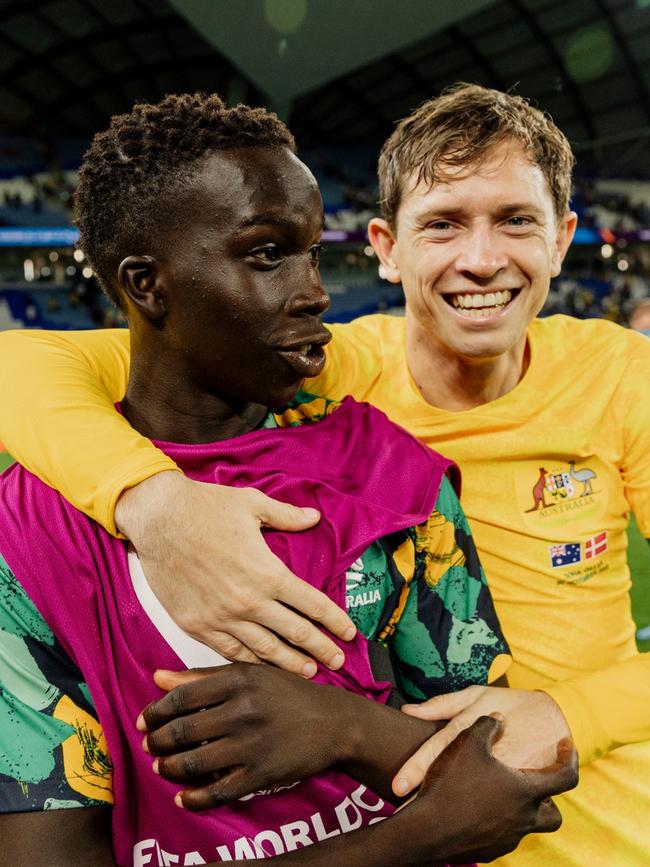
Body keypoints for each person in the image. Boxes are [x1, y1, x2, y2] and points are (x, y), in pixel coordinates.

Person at [0, 83, 646, 865]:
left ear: (564, 236)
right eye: (442, 224)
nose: (481, 259)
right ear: (384, 245)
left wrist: (566, 709)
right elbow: (28, 364)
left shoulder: (624, 377)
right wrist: (152, 499)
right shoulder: (327, 371)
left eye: (516, 220)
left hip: (604, 834)